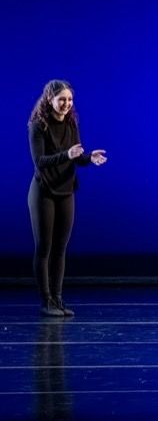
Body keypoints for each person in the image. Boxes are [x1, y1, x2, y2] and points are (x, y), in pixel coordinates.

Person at [28, 80, 107, 317]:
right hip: (43, 191)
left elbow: (76, 156)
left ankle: (58, 298)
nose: (66, 104)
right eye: (62, 99)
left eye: (70, 99)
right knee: (44, 247)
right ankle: (46, 301)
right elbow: (40, 161)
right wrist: (68, 154)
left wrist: (88, 157)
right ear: (50, 99)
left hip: (66, 190)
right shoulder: (38, 125)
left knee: (60, 248)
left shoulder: (72, 122)